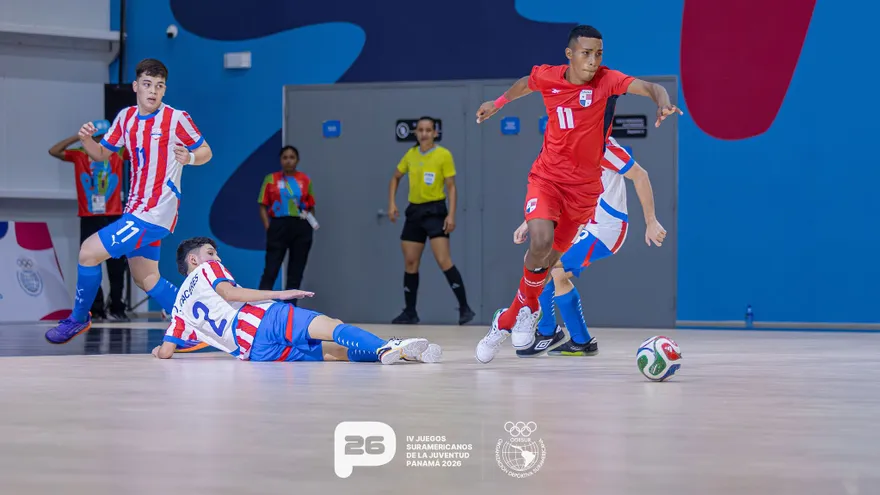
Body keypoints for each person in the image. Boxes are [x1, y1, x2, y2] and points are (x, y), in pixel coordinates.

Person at [472, 25, 682, 363]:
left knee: (551, 262)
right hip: (547, 178)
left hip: (583, 196)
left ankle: (511, 317)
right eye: (586, 53)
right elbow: (526, 84)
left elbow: (651, 87)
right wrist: (497, 103)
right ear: (569, 54)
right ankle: (536, 323)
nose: (594, 60)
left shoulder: (607, 81)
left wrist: (664, 102)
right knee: (541, 246)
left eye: (599, 54)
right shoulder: (548, 76)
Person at [45, 58, 213, 344]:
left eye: (159, 86)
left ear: (164, 90)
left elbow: (206, 151)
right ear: (136, 86)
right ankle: (194, 328)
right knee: (146, 278)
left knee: (88, 252)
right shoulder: (125, 118)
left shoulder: (176, 118)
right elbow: (101, 154)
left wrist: (192, 158)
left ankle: (79, 318)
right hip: (136, 210)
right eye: (147, 84)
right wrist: (86, 141)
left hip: (154, 212)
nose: (153, 91)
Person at [151, 237, 443, 364]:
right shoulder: (208, 268)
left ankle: (400, 354)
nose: (217, 257)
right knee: (331, 326)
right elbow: (230, 293)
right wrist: (279, 294)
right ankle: (386, 347)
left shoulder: (178, 308)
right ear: (194, 259)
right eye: (211, 251)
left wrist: (157, 352)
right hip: (261, 319)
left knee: (332, 353)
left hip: (253, 352)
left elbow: (166, 351)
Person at [513, 137, 666, 357]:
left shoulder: (603, 147)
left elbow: (641, 175)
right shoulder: (567, 147)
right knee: (541, 263)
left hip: (606, 229)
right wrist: (530, 221)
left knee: (551, 268)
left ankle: (554, 334)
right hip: (583, 223)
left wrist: (651, 221)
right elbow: (560, 193)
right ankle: (568, 337)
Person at [388, 116, 474, 325]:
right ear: (416, 133)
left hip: (435, 211)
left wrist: (451, 214)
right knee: (410, 262)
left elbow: (451, 186)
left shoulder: (443, 155)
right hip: (414, 212)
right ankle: (410, 311)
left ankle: (464, 308)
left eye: (428, 130)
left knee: (444, 260)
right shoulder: (410, 154)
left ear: (435, 133)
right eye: (420, 130)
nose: (424, 133)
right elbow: (396, 177)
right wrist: (392, 203)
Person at [48, 121, 130, 321]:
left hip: (113, 215)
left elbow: (138, 150)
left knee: (117, 263)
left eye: (105, 136)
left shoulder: (117, 153)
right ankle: (97, 308)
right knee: (90, 261)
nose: (101, 140)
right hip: (89, 217)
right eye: (98, 136)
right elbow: (54, 151)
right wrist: (78, 137)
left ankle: (117, 307)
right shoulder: (80, 154)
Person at [257, 145, 317, 305]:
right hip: (278, 226)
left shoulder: (305, 180)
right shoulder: (271, 179)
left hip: (301, 226)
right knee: (271, 269)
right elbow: (262, 204)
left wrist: (309, 227)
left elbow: (311, 205)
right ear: (280, 160)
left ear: (297, 160)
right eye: (285, 157)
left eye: (292, 157)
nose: (288, 160)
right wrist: (268, 227)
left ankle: (291, 310)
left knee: (295, 272)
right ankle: (261, 309)